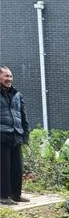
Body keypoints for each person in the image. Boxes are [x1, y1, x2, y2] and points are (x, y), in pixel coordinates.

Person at [0, 66, 30, 205]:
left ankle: (16, 195)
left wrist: (25, 136)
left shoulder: (17, 94)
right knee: (3, 167)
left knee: (17, 167)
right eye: (6, 76)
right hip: (2, 135)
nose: (10, 79)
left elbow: (23, 117)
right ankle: (3, 196)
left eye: (11, 76)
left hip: (16, 135)